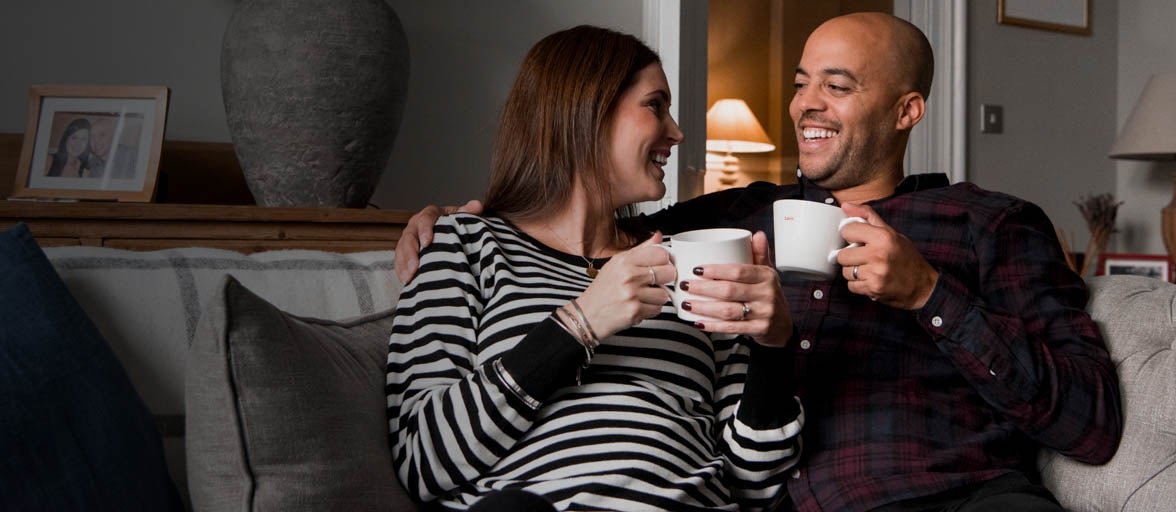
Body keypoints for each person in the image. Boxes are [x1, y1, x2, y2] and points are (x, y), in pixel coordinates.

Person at [394, 13, 1123, 512]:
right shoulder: (720, 226)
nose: (806, 104)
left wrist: (928, 292)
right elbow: (573, 224)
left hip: (954, 496)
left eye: (837, 86)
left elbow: (1089, 421)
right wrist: (462, 216)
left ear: (907, 111)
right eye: (802, 81)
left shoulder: (989, 221)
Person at [386, 25, 803, 512]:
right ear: (587, 109)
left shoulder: (688, 262)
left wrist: (774, 347)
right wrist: (579, 324)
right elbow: (423, 461)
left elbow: (757, 483)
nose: (677, 133)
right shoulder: (463, 244)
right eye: (655, 105)